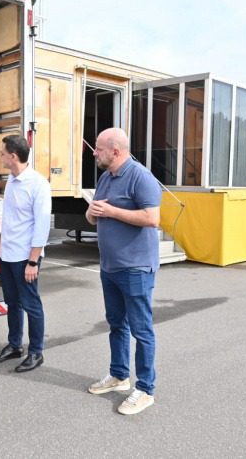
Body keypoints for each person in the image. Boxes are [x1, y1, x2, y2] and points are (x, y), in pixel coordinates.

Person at [85, 127, 162, 415]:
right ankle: (119, 375)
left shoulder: (141, 177)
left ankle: (145, 389)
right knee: (116, 324)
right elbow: (93, 215)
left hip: (136, 268)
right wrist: (92, 213)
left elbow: (152, 218)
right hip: (110, 267)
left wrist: (113, 212)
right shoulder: (106, 177)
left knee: (141, 330)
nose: (95, 153)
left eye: (99, 148)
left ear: (115, 151)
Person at [0, 135, 51, 372]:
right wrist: (0, 241)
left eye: (3, 153)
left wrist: (33, 261)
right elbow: (10, 216)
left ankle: (36, 352)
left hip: (26, 257)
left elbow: (42, 226)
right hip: (8, 253)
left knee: (31, 304)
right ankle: (15, 345)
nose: (0, 156)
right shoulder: (11, 181)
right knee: (12, 302)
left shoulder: (38, 185)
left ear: (13, 156)